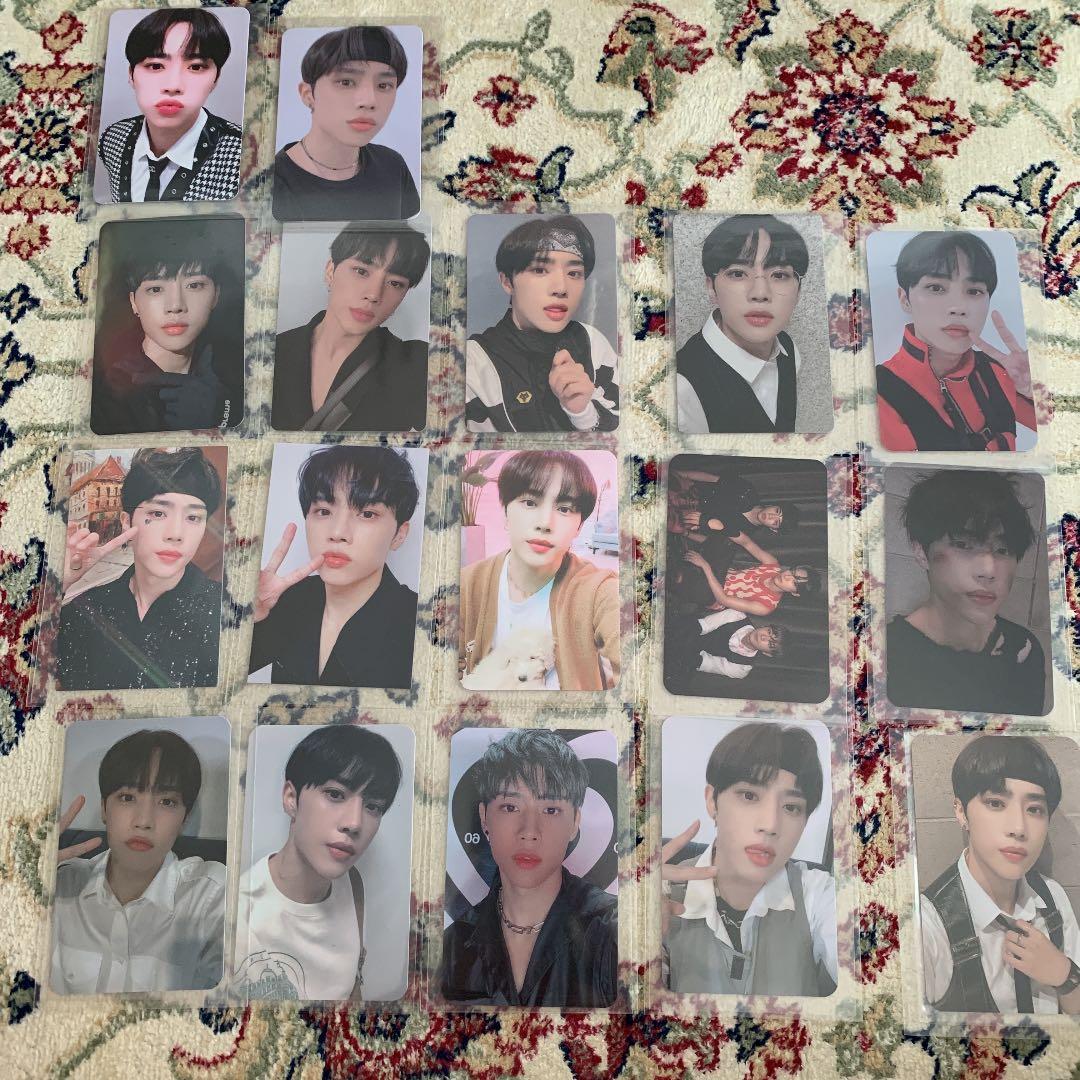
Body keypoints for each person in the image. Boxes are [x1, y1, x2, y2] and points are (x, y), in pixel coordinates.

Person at [440, 728, 618, 1007]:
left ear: (575, 822)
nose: (529, 832)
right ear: (484, 817)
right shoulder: (452, 945)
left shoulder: (612, 930)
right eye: (510, 807)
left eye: (550, 810)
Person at [662, 722, 836, 996]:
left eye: (791, 807)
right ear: (712, 801)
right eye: (749, 795)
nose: (770, 825)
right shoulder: (661, 892)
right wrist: (635, 929)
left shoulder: (818, 895)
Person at [232, 725, 403, 1001]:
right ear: (291, 799)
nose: (354, 823)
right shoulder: (235, 914)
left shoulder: (352, 883)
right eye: (335, 794)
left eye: (373, 806)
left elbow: (353, 994)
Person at [52, 729, 226, 994]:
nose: (144, 821)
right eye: (127, 797)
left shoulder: (211, 896)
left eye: (166, 802)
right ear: (104, 808)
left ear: (185, 818)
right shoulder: (58, 884)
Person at [920, 735, 1080, 1014]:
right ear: (961, 811)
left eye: (1034, 809)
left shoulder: (1052, 898)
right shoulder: (927, 926)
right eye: (996, 803)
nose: (1018, 828)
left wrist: (1064, 974)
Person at [249, 445, 420, 688]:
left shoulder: (422, 623)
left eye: (367, 514)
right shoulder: (284, 600)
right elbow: (213, 680)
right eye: (324, 511)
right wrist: (243, 617)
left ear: (399, 535)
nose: (338, 532)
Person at [56, 447, 223, 690]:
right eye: (158, 513)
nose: (176, 534)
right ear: (127, 522)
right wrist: (53, 586)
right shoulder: (85, 611)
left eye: (193, 518)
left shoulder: (226, 613)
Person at [886, 469, 1047, 715]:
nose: (989, 571)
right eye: (963, 545)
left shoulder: (1022, 649)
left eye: (1003, 550)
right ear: (921, 552)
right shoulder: (884, 654)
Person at [458, 450, 619, 691]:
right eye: (530, 503)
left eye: (564, 509)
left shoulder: (600, 591)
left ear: (579, 526)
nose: (545, 523)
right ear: (505, 512)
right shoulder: (466, 584)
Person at [874, 231, 1036, 451]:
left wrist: (1038, 391)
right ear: (905, 299)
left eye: (974, 291)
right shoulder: (879, 394)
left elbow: (1067, 435)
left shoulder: (1001, 373)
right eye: (936, 288)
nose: (959, 307)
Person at [465, 216, 620, 432]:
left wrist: (582, 412)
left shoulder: (592, 343)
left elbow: (629, 435)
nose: (561, 288)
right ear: (507, 281)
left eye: (574, 273)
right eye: (540, 270)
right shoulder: (474, 362)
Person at [272, 223, 431, 431]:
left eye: (395, 283)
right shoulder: (272, 350)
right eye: (361, 271)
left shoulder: (416, 363)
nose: (374, 294)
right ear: (331, 271)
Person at [92, 222, 240, 435]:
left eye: (194, 285)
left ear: (216, 295)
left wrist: (222, 413)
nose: (176, 305)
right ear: (134, 302)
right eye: (155, 289)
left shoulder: (237, 372)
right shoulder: (108, 392)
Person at [272, 25, 420, 222]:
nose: (369, 101)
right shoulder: (272, 181)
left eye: (384, 85)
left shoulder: (392, 166)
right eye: (346, 82)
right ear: (308, 94)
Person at [677, 215, 809, 433]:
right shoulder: (681, 392)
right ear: (711, 287)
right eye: (738, 273)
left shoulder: (788, 350)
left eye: (779, 275)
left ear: (799, 290)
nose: (760, 293)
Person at [98, 8, 242, 203]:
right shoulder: (113, 138)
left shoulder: (242, 157)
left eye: (196, 67)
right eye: (155, 66)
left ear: (216, 78)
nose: (173, 86)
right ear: (131, 74)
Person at [680, 547, 820, 618]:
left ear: (795, 593)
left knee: (687, 581)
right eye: (793, 572)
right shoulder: (772, 565)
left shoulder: (766, 607)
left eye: (794, 583)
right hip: (718, 572)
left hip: (713, 593)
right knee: (725, 543)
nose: (788, 577)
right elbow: (745, 542)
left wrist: (705, 566)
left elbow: (723, 599)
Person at [666, 609, 785, 685]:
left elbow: (702, 662)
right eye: (769, 632)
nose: (764, 637)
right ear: (764, 626)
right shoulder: (737, 616)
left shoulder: (742, 668)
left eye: (770, 644)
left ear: (767, 653)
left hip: (690, 656)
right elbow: (701, 626)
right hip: (688, 630)